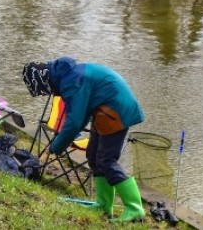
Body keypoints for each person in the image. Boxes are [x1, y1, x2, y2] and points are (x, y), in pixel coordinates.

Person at [22, 57, 145, 221]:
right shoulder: (66, 76)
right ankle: (103, 204)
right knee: (93, 156)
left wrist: (56, 147)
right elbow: (81, 113)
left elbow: (74, 122)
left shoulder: (71, 81)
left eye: (43, 90)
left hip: (117, 110)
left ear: (43, 80)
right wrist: (63, 140)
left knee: (106, 160)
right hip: (103, 111)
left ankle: (134, 208)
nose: (48, 93)